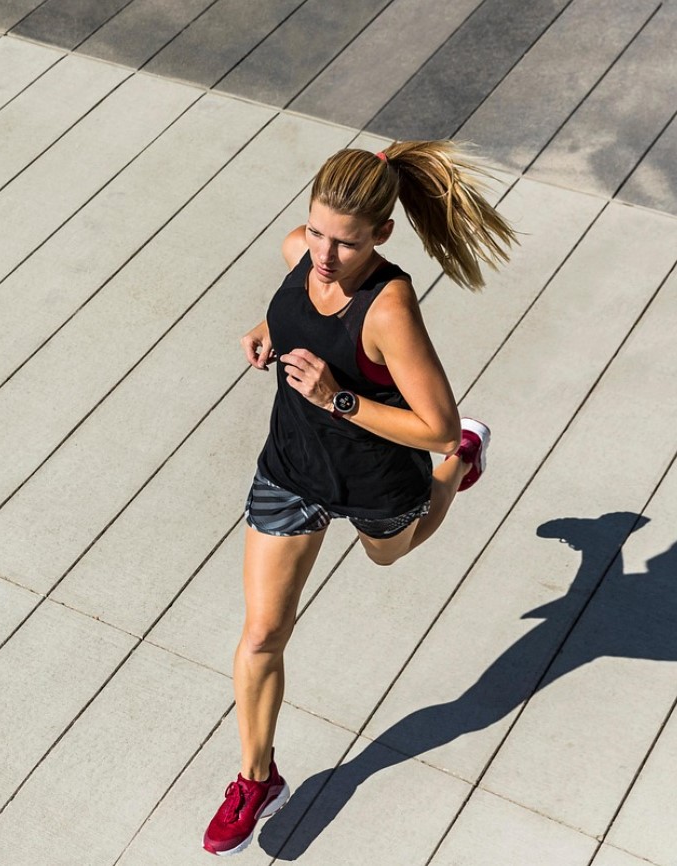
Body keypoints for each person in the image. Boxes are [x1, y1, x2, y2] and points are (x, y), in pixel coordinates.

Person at [202, 142, 518, 856]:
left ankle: (465, 466)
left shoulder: (389, 307)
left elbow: (433, 424)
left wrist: (337, 397)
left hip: (378, 475)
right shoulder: (300, 253)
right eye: (316, 231)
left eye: (344, 242)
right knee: (260, 635)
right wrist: (266, 329)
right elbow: (292, 301)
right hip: (291, 468)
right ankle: (257, 778)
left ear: (381, 235)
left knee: (390, 555)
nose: (323, 254)